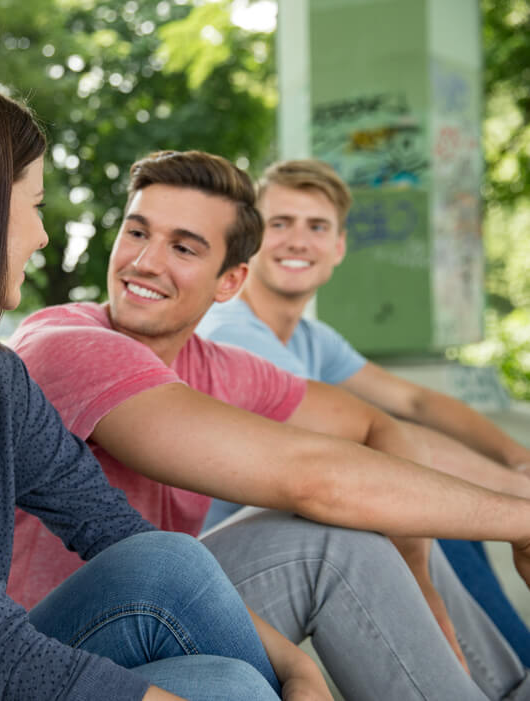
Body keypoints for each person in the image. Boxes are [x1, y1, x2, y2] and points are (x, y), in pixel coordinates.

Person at [0, 72, 328, 701]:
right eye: (32, 206)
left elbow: (117, 532)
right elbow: (0, 656)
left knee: (205, 631)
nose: (43, 235)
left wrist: (297, 670)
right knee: (231, 692)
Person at [5, 150, 530, 700]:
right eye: (137, 233)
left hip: (155, 605)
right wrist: (518, 520)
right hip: (45, 641)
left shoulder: (216, 364)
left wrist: (419, 563)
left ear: (229, 280)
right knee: (334, 537)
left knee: (397, 516)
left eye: (182, 247)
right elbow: (314, 480)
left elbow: (380, 424)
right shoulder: (70, 345)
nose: (145, 261)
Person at [197, 158, 530, 664]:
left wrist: (517, 461)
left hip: (280, 535)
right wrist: (513, 499)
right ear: (253, 240)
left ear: (338, 247)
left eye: (317, 226)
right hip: (219, 568)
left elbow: (416, 401)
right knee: (427, 511)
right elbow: (372, 447)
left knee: (447, 514)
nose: (297, 240)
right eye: (280, 223)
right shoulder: (233, 331)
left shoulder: (311, 338)